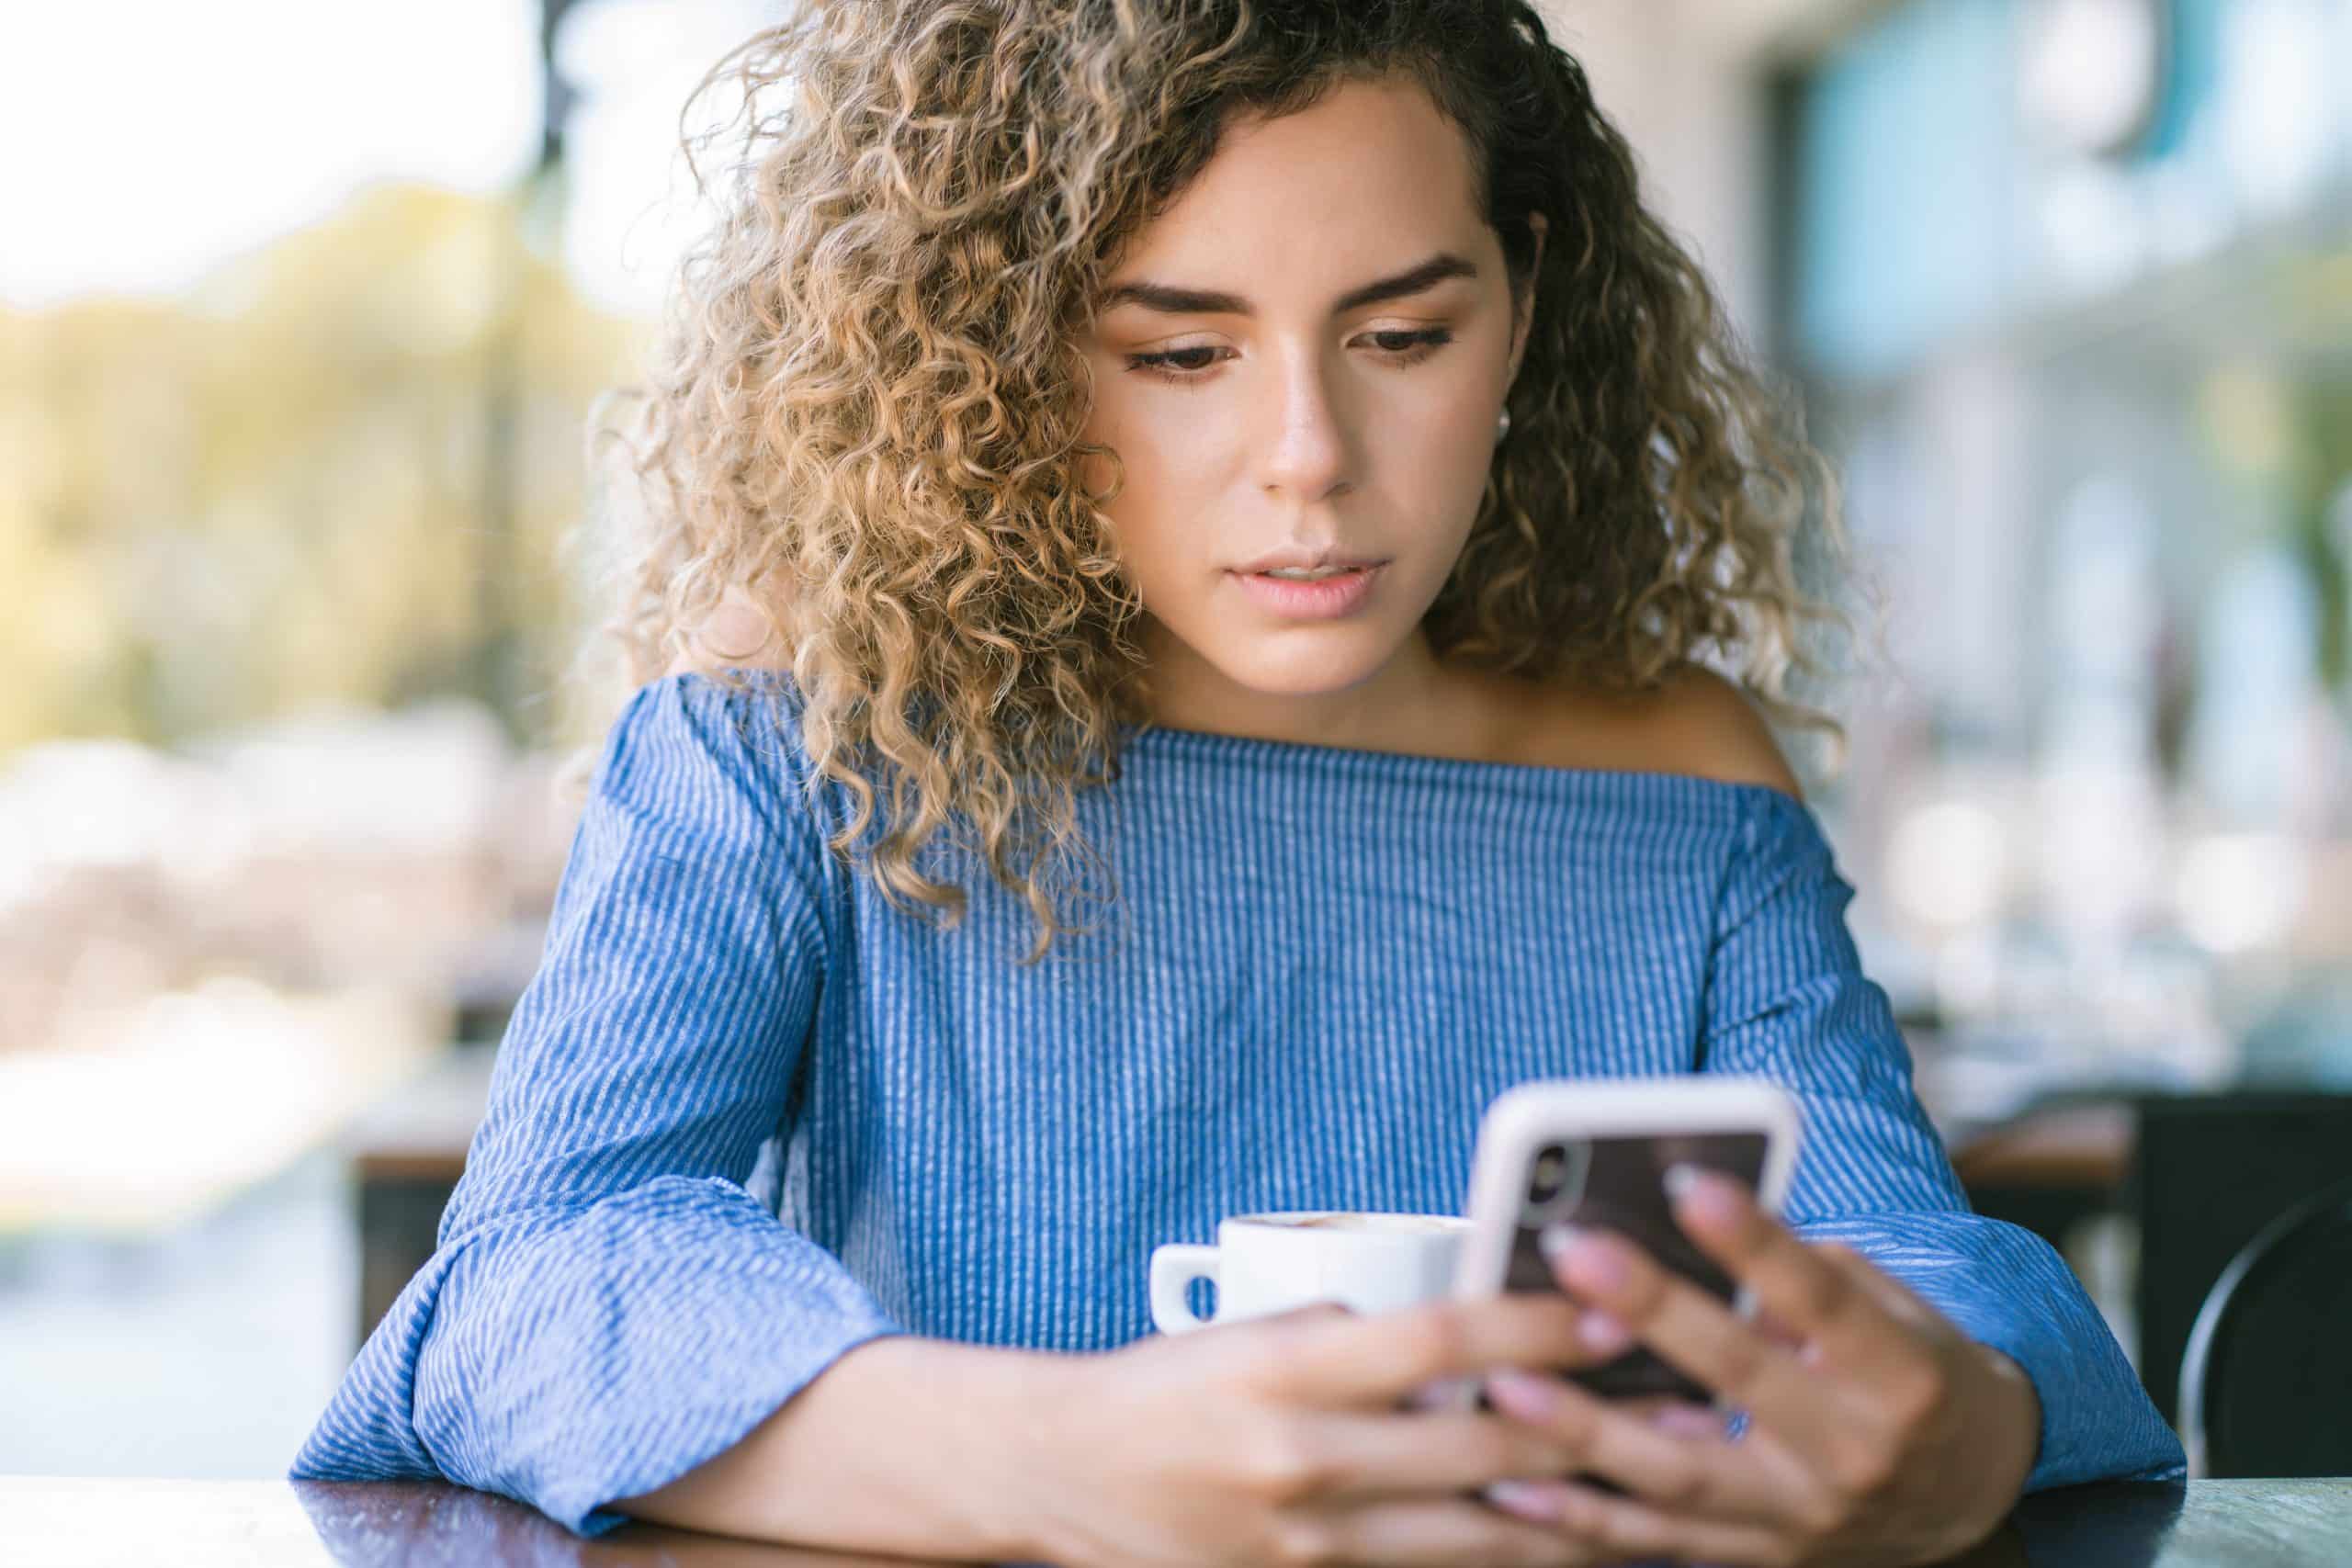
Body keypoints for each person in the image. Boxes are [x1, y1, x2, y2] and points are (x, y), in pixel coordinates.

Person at [289, 1, 2187, 1562]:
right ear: (1012, 359)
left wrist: (1954, 1419)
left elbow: (1923, 1263)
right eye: (1181, 351)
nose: (1309, 458)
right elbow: (517, 1289)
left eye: (1400, 334)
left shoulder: (1671, 777)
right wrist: (1066, 1455)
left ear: (1521, 307)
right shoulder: (810, 713)